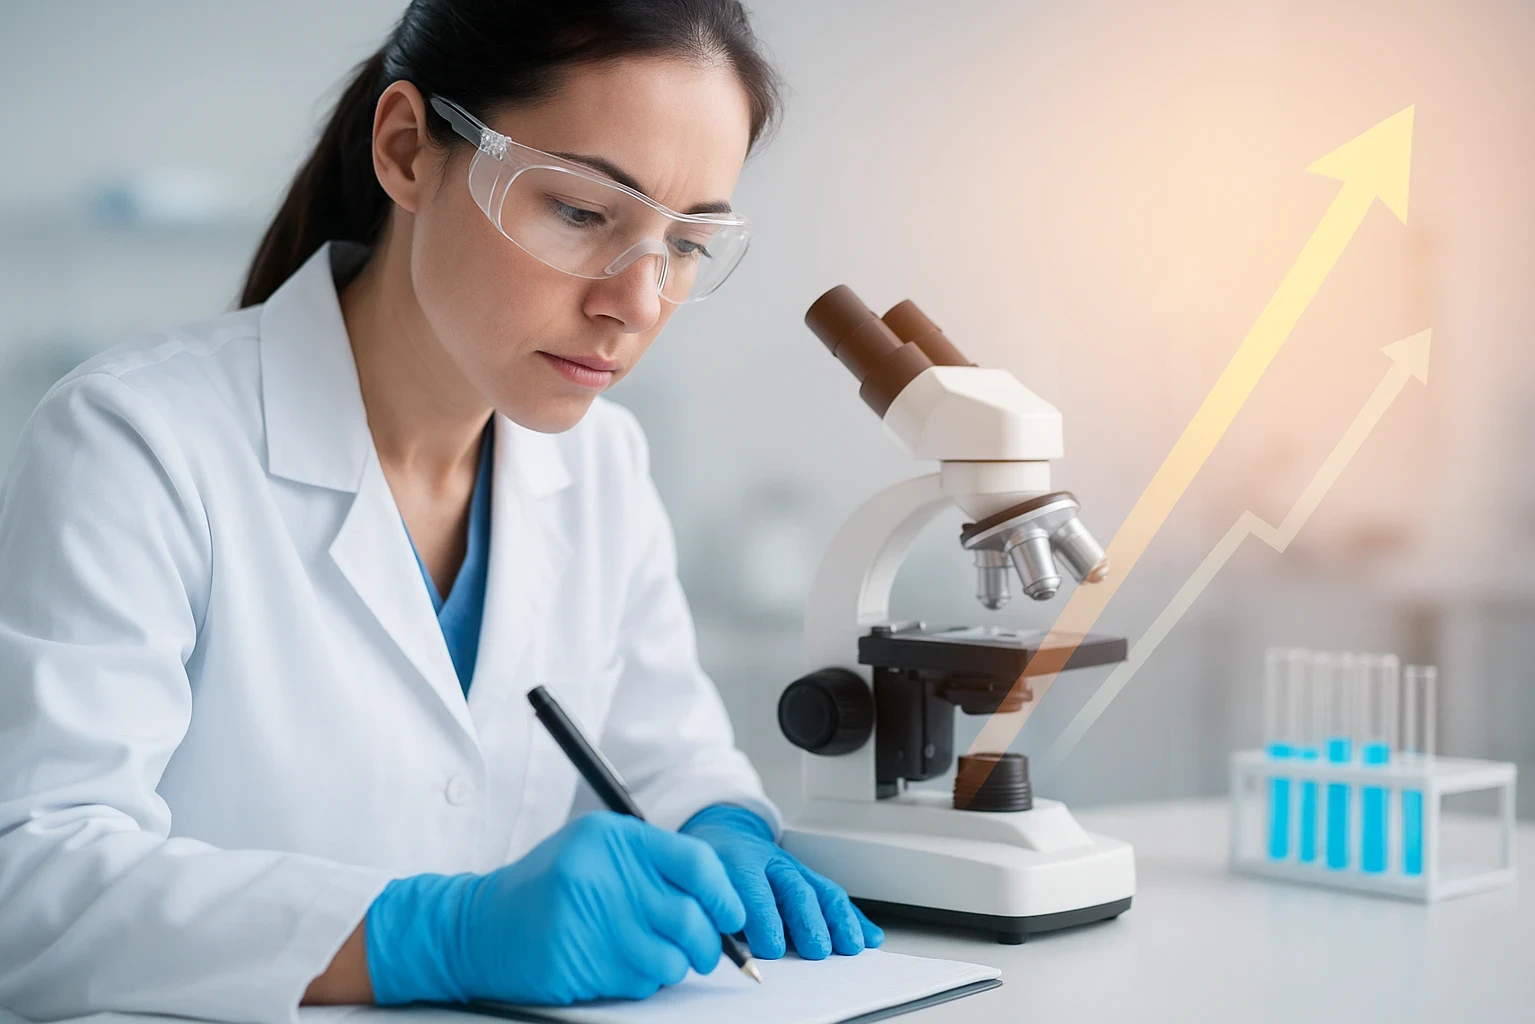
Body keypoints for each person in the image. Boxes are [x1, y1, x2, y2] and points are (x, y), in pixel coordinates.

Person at [0, 2, 883, 1020]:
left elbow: (665, 757)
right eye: (584, 212)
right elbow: (31, 878)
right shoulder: (139, 442)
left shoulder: (601, 465)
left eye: (684, 244)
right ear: (409, 150)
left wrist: (725, 826)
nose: (637, 302)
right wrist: (429, 934)